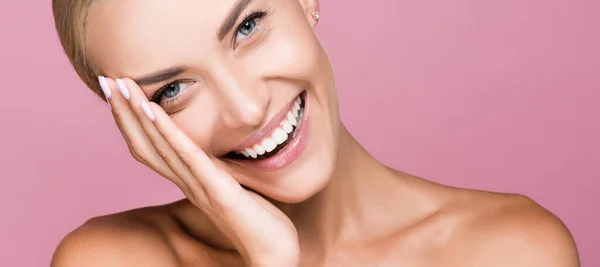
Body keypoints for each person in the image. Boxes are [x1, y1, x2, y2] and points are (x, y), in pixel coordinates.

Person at [50, 0, 579, 266]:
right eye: (173, 90)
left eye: (247, 27)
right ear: (137, 124)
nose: (247, 107)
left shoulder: (509, 251)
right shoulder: (111, 260)